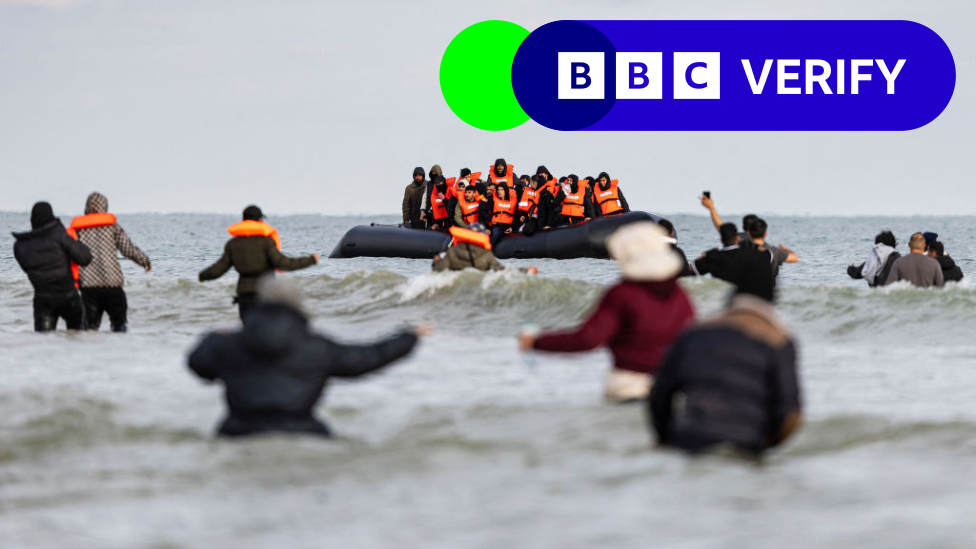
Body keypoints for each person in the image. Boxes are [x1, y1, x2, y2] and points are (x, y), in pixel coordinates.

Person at [188, 276, 428, 437]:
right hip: (302, 433)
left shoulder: (228, 344)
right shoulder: (317, 347)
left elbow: (197, 363)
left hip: (237, 433)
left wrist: (214, 336)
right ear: (298, 307)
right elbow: (365, 358)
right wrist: (409, 337)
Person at [519, 223, 694, 403]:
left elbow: (589, 339)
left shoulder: (623, 293)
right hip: (671, 386)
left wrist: (535, 342)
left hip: (629, 385)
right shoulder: (680, 294)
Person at [649, 278, 802, 457]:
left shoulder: (694, 333)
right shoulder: (779, 340)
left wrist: (665, 437)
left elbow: (660, 393)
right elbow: (790, 414)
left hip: (689, 439)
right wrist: (767, 444)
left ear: (730, 302)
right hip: (745, 443)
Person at [199, 205, 319, 321]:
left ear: (244, 220)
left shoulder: (233, 244)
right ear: (260, 220)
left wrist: (204, 275)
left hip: (244, 294)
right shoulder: (267, 242)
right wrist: (311, 260)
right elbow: (284, 263)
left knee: (248, 332)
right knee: (266, 332)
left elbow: (220, 267)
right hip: (265, 293)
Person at [66, 192, 152, 332]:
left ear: (87, 207)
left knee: (90, 328)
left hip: (89, 287)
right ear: (105, 207)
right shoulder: (113, 227)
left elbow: (69, 255)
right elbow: (127, 249)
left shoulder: (78, 230)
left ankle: (90, 353)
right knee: (119, 325)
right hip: (113, 285)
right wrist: (145, 261)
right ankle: (120, 351)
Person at [13, 202, 93, 331]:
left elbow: (26, 268)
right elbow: (85, 258)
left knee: (44, 342)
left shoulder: (20, 246)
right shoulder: (60, 235)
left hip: (43, 299)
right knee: (78, 339)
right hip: (68, 296)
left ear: (33, 220)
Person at [691, 223, 777, 298]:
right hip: (755, 299)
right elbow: (769, 256)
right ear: (737, 238)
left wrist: (706, 254)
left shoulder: (712, 257)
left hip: (726, 299)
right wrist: (754, 247)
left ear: (721, 240)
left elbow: (689, 271)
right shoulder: (752, 254)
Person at [432, 223, 538, 274]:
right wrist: (526, 271)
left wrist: (435, 262)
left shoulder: (453, 251)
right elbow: (503, 271)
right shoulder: (486, 256)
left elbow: (437, 270)